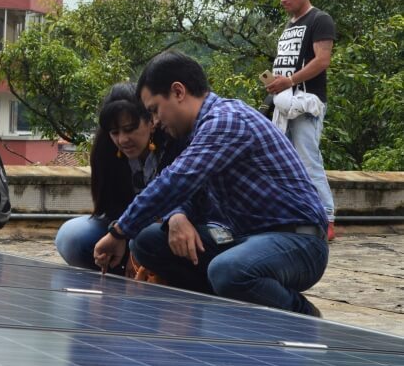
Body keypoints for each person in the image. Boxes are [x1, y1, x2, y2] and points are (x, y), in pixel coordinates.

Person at [94, 51, 329, 317]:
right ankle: (210, 311)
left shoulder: (225, 120)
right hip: (245, 239)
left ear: (178, 92)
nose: (156, 121)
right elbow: (192, 194)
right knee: (147, 242)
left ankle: (304, 316)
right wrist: (176, 217)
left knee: (228, 271)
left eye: (155, 110)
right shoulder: (201, 130)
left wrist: (119, 232)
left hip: (299, 243)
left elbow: (175, 181)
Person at [55, 82, 184, 273]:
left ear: (151, 121)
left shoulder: (175, 142)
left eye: (130, 129)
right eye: (115, 133)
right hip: (123, 229)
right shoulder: (105, 151)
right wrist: (121, 233)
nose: (123, 140)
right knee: (72, 236)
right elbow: (110, 205)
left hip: (168, 228)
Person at [267, 0, 336, 240]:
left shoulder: (320, 19)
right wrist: (277, 81)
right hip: (284, 102)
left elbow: (322, 60)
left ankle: (327, 217)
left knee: (308, 160)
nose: (283, 0)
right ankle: (292, 216)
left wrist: (290, 80)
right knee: (281, 162)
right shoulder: (288, 26)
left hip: (307, 102)